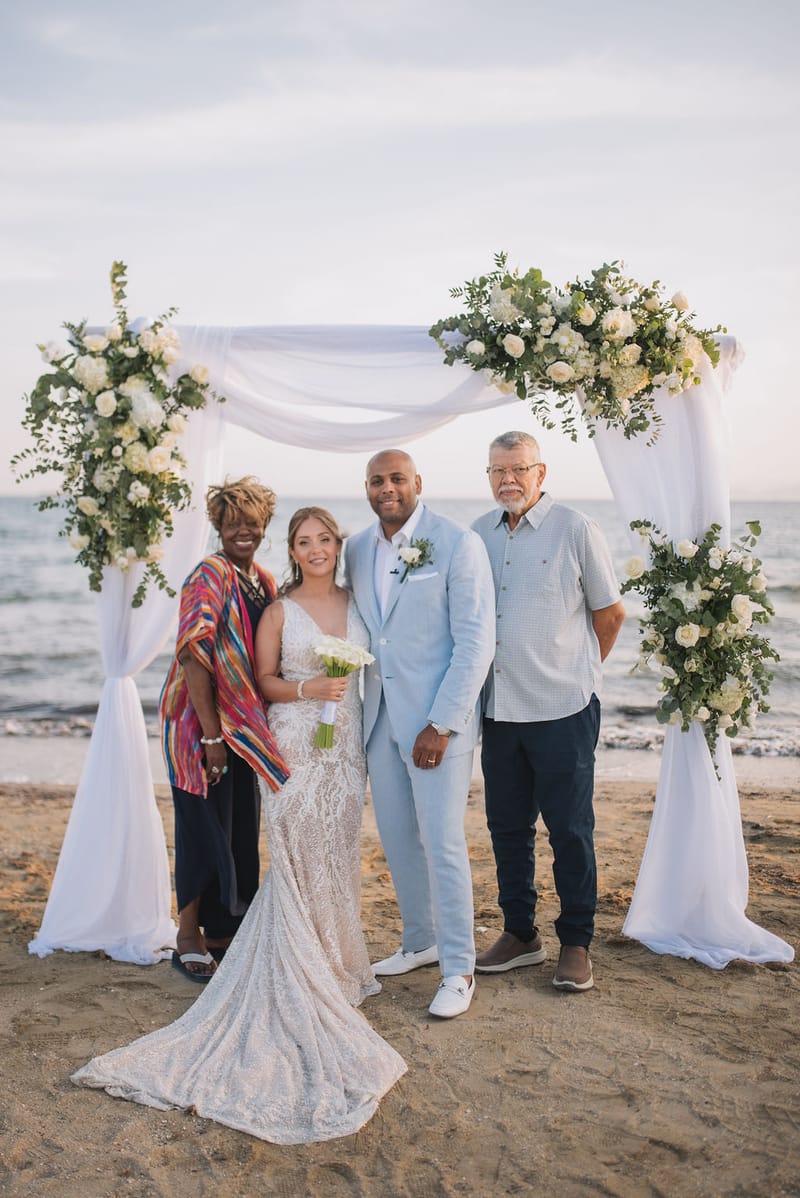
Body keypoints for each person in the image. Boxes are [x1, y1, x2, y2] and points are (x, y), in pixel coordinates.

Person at [72, 507, 406, 1144]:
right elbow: (258, 678)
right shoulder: (271, 604)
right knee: (290, 852)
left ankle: (336, 959)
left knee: (334, 855)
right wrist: (299, 698)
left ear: (339, 545)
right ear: (294, 547)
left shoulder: (352, 598)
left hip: (347, 752)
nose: (315, 549)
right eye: (303, 542)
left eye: (324, 540)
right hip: (292, 744)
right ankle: (218, 940)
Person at [472, 431, 625, 992]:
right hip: (500, 709)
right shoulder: (477, 535)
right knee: (507, 828)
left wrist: (580, 674)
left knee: (569, 830)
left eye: (517, 469)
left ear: (541, 473)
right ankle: (519, 934)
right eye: (496, 471)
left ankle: (576, 943)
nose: (507, 480)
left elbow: (609, 615)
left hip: (563, 708)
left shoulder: (577, 529)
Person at [345, 449, 495, 1019]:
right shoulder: (357, 548)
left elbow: (476, 643)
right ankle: (420, 942)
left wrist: (443, 723)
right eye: (378, 481)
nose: (388, 489)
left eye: (397, 479)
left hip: (437, 726)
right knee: (399, 840)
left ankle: (458, 967)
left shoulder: (458, 543)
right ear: (367, 488)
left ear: (417, 483)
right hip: (380, 718)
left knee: (443, 843)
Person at [159, 477, 289, 981]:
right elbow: (195, 653)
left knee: (236, 827)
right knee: (200, 827)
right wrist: (211, 737)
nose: (244, 531)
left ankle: (220, 932)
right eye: (233, 522)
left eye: (252, 523)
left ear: (264, 528)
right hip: (198, 725)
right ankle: (187, 937)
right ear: (218, 524)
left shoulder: (262, 579)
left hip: (240, 730)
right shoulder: (209, 575)